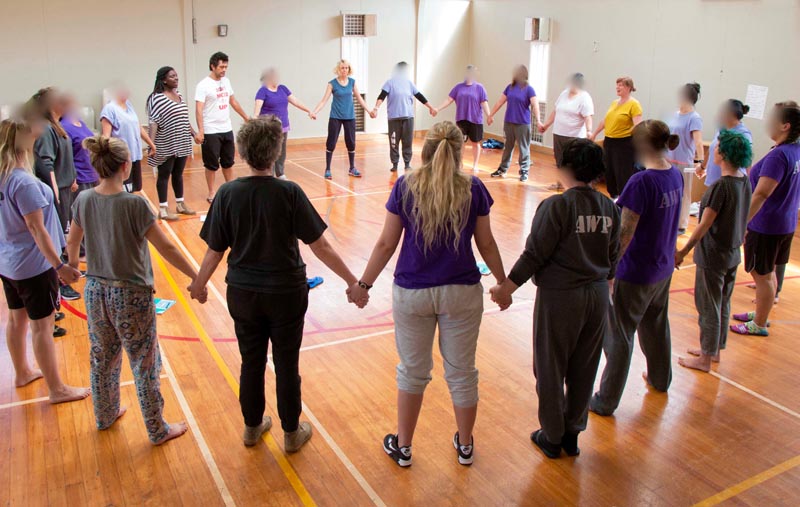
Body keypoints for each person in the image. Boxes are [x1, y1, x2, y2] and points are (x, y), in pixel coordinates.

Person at [190, 116, 361, 450]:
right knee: (286, 364)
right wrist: (353, 282)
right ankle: (291, 433)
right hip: (286, 294)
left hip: (243, 293)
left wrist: (199, 284)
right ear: (276, 150)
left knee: (251, 362)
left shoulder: (226, 193)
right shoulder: (289, 192)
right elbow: (320, 246)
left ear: (240, 151)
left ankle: (252, 428)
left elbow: (215, 250)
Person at [347, 121, 506, 467]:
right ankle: (465, 446)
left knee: (412, 371)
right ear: (459, 152)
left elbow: (386, 243)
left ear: (426, 150)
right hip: (462, 293)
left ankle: (403, 448)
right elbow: (487, 243)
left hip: (413, 292)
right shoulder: (474, 188)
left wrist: (363, 285)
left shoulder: (406, 186)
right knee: (462, 372)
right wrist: (503, 282)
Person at [490, 138, 619, 459]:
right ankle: (572, 433)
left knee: (550, 368)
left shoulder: (557, 206)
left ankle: (551, 435)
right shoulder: (610, 208)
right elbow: (614, 255)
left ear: (566, 168)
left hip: (562, 297)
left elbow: (535, 254)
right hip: (598, 295)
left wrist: (507, 287)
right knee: (584, 367)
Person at [67, 135, 196, 445]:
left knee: (102, 357)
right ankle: (157, 428)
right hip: (130, 295)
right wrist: (196, 275)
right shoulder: (135, 203)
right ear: (126, 166)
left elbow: (72, 241)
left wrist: (72, 266)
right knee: (144, 362)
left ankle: (105, 414)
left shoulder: (84, 200)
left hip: (96, 290)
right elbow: (165, 247)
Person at [590, 120, 683, 416]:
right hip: (662, 267)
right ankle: (660, 378)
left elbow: (625, 233)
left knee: (620, 334)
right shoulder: (675, 175)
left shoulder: (642, 182)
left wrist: (610, 271)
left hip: (637, 272)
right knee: (656, 326)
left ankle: (606, 400)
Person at [0, 116, 89, 404]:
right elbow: (36, 229)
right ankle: (57, 389)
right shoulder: (22, 182)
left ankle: (23, 371)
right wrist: (59, 266)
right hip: (33, 266)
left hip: (9, 263)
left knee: (17, 319)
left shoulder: (5, 176)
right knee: (42, 326)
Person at [674, 130, 752, 371]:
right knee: (722, 302)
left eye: (716, 148)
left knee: (708, 305)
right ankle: (714, 349)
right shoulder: (745, 180)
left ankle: (705, 358)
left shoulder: (721, 187)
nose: (712, 151)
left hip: (714, 255)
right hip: (732, 253)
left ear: (724, 154)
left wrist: (684, 250)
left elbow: (704, 224)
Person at [731, 101, 800, 336]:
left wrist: (741, 223)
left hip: (767, 225)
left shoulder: (779, 156)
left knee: (762, 275)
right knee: (767, 273)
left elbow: (761, 193)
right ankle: (762, 312)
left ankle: (759, 323)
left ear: (786, 126)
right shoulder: (793, 150)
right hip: (785, 222)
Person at [30, 87, 81, 302]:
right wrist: (54, 193)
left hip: (64, 188)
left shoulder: (58, 125)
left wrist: (72, 178)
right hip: (56, 191)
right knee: (57, 237)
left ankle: (61, 277)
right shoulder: (45, 128)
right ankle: (60, 283)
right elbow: (45, 163)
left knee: (62, 233)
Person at [195, 52, 250, 202]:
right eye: (221, 67)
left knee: (228, 161)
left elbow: (233, 101)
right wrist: (201, 131)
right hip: (211, 130)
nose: (224, 69)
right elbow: (198, 109)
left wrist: (246, 117)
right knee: (211, 164)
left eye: (226, 67)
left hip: (226, 128)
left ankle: (230, 189)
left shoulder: (226, 81)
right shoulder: (203, 85)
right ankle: (212, 192)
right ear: (212, 66)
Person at [147, 66, 198, 220]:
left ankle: (180, 204)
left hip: (182, 142)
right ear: (163, 80)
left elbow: (184, 119)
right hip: (166, 143)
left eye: (176, 76)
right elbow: (153, 123)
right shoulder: (156, 98)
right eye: (172, 76)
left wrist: (194, 133)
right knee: (164, 175)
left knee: (178, 174)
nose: (176, 78)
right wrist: (151, 144)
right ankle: (163, 208)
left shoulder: (179, 95)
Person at [311, 59, 372, 179]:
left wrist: (369, 111)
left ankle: (352, 168)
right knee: (331, 143)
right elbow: (324, 100)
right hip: (336, 117)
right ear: (338, 69)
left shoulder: (352, 82)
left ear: (349, 69)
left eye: (346, 68)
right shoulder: (332, 84)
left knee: (351, 143)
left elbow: (359, 99)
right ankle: (328, 169)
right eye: (342, 68)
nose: (344, 70)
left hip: (350, 117)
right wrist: (314, 112)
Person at [371, 61, 437, 172]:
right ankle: (395, 164)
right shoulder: (390, 83)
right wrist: (376, 108)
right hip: (394, 118)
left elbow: (419, 96)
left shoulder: (409, 83)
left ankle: (407, 163)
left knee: (407, 141)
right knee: (393, 142)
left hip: (408, 117)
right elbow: (382, 96)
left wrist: (431, 107)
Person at [253, 67, 315, 180]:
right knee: (269, 150)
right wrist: (255, 123)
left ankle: (280, 173)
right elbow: (257, 110)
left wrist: (308, 110)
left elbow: (295, 101)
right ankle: (269, 174)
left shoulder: (283, 89)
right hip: (269, 128)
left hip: (283, 127)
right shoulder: (263, 91)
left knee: (281, 151)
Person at [589, 77, 643, 198]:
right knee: (609, 172)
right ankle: (614, 197)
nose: (617, 87)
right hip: (609, 142)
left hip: (623, 144)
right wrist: (594, 134)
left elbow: (638, 126)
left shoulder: (634, 104)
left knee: (622, 174)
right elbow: (605, 121)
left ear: (629, 87)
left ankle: (624, 200)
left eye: (621, 85)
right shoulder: (614, 103)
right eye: (617, 85)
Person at [540, 73, 594, 191]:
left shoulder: (585, 97)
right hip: (559, 133)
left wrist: (589, 131)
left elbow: (588, 116)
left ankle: (572, 186)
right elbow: (555, 111)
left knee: (572, 162)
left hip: (574, 136)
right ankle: (560, 183)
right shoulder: (564, 94)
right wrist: (546, 125)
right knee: (559, 159)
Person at [100, 83, 157, 193]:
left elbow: (138, 127)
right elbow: (106, 137)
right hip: (121, 158)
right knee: (123, 189)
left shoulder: (129, 105)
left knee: (135, 188)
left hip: (134, 155)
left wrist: (151, 144)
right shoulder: (109, 109)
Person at [488, 65, 541, 182]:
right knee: (508, 146)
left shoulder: (529, 89)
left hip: (523, 124)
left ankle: (524, 171)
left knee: (524, 148)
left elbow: (535, 105)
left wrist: (538, 121)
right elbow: (500, 102)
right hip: (509, 122)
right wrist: (490, 115)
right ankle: (502, 169)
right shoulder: (510, 87)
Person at [435, 65, 490, 172]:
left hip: (475, 120)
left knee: (475, 143)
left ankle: (475, 165)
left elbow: (484, 103)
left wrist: (489, 115)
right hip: (461, 119)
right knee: (460, 143)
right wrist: (438, 108)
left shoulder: (480, 88)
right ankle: (459, 164)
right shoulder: (458, 87)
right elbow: (449, 100)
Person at [666, 83, 704, 233]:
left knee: (684, 193)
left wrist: (700, 162)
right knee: (669, 192)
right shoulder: (675, 115)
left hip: (685, 162)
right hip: (669, 160)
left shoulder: (695, 118)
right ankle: (669, 220)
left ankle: (681, 224)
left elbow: (698, 142)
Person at [696, 99, 753, 186]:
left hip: (729, 184)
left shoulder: (743, 134)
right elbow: (712, 149)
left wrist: (748, 185)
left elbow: (747, 160)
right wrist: (702, 167)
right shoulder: (722, 128)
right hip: (714, 180)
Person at [60, 94, 99, 197]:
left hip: (91, 174)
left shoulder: (80, 121)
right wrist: (72, 179)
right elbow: (65, 156)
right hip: (79, 178)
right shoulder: (63, 126)